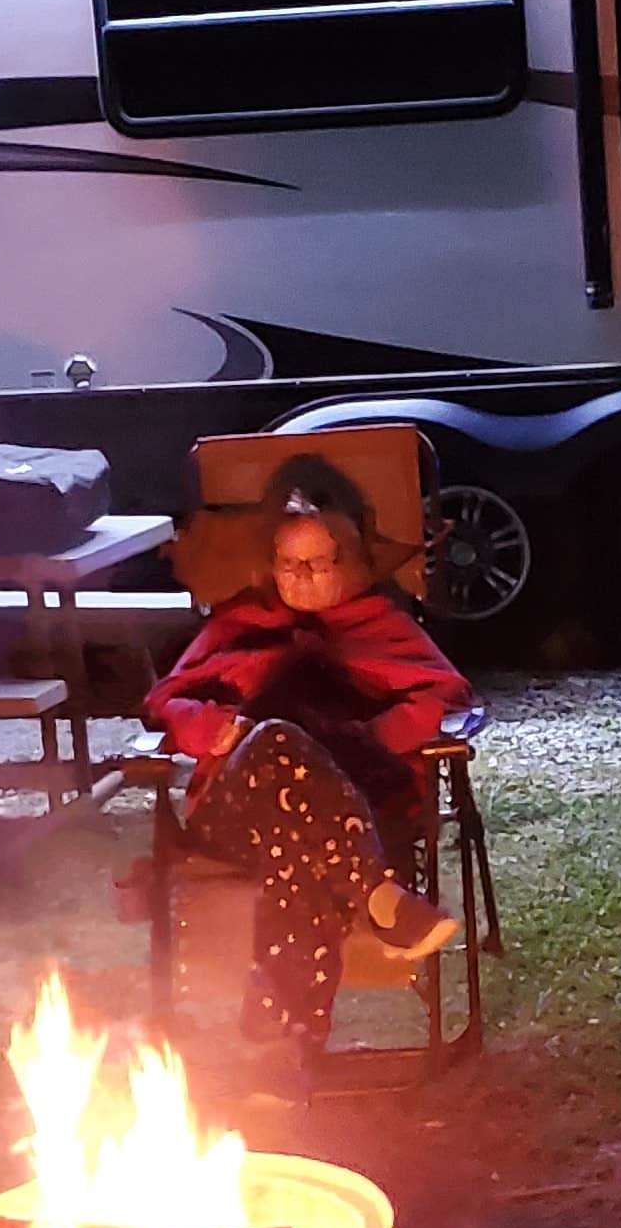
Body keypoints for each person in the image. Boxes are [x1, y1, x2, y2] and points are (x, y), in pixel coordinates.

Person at [142, 459, 474, 1074]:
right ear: (269, 564)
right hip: (236, 818)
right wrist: (213, 731)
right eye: (292, 564)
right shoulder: (240, 624)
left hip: (341, 823)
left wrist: (371, 736)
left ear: (353, 560)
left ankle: (277, 1059)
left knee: (300, 861)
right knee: (274, 742)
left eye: (323, 562)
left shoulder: (380, 626)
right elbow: (167, 700)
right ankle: (378, 895)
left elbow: (443, 697)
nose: (306, 578)